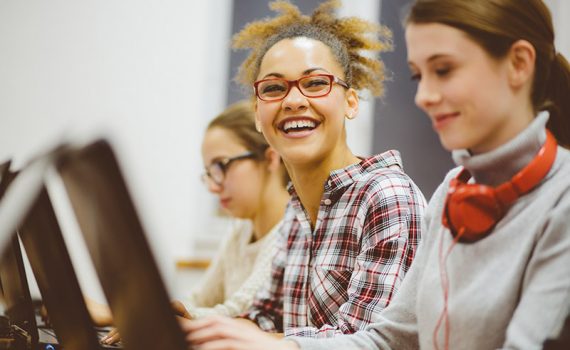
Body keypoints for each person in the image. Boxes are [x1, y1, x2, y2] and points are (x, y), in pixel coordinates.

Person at [191, 0, 570, 349]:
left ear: (519, 64)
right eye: (418, 76)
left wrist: (277, 345)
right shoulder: (452, 193)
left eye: (444, 70)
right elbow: (387, 339)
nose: (423, 97)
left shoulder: (559, 201)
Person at [180, 0, 426, 345]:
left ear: (351, 103)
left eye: (314, 84)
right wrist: (192, 328)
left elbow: (367, 341)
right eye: (274, 88)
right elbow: (265, 318)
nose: (293, 100)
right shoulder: (296, 211)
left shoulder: (386, 196)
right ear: (257, 114)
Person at [98, 100, 291, 344]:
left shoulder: (291, 232)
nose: (213, 186)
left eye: (222, 165)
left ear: (270, 159)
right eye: (209, 173)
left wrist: (114, 314)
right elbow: (198, 300)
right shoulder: (240, 230)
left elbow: (241, 315)